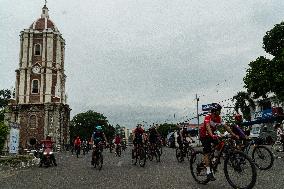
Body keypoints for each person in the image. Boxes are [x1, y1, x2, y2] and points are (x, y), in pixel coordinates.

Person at [199, 103, 239, 181]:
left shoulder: (219, 118)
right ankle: (208, 172)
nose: (220, 111)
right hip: (204, 135)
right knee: (207, 152)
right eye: (219, 110)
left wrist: (233, 134)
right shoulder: (208, 117)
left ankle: (214, 159)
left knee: (220, 144)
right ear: (214, 111)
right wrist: (212, 135)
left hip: (212, 135)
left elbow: (226, 126)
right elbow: (207, 126)